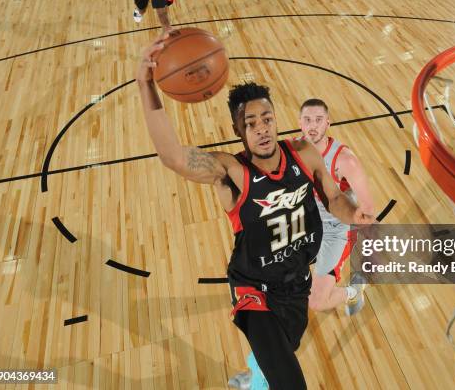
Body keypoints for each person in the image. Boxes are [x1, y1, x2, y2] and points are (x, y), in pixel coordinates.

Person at [136, 35, 374, 390]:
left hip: (295, 284)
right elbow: (172, 156)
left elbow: (333, 197)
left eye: (267, 118)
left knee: (283, 350)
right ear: (238, 131)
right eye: (251, 123)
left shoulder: (303, 153)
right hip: (253, 289)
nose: (262, 128)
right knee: (290, 382)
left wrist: (353, 214)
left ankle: (254, 376)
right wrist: (146, 85)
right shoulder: (230, 172)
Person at [299, 99, 374, 316]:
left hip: (335, 231)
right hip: (307, 224)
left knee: (316, 303)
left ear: (328, 123)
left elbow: (368, 208)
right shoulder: (293, 149)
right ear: (300, 123)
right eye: (308, 120)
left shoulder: (345, 161)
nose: (313, 126)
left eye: (318, 120)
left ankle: (354, 291)